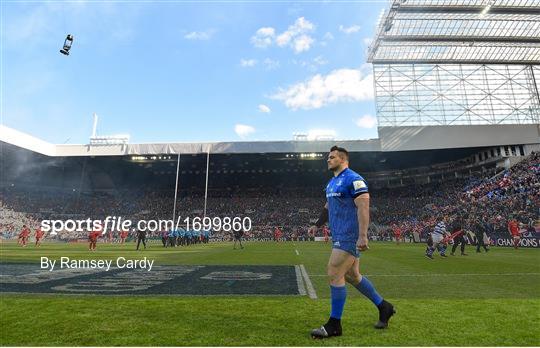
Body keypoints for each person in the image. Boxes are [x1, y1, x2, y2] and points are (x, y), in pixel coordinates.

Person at [309, 146, 395, 339]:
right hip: (339, 235)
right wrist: (317, 224)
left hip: (349, 235)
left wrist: (363, 235)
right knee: (353, 276)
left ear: (343, 159)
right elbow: (327, 206)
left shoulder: (353, 178)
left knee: (334, 272)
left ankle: (334, 325)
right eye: (327, 157)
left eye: (332, 157)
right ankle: (384, 307)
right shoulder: (332, 182)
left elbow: (363, 204)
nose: (328, 160)